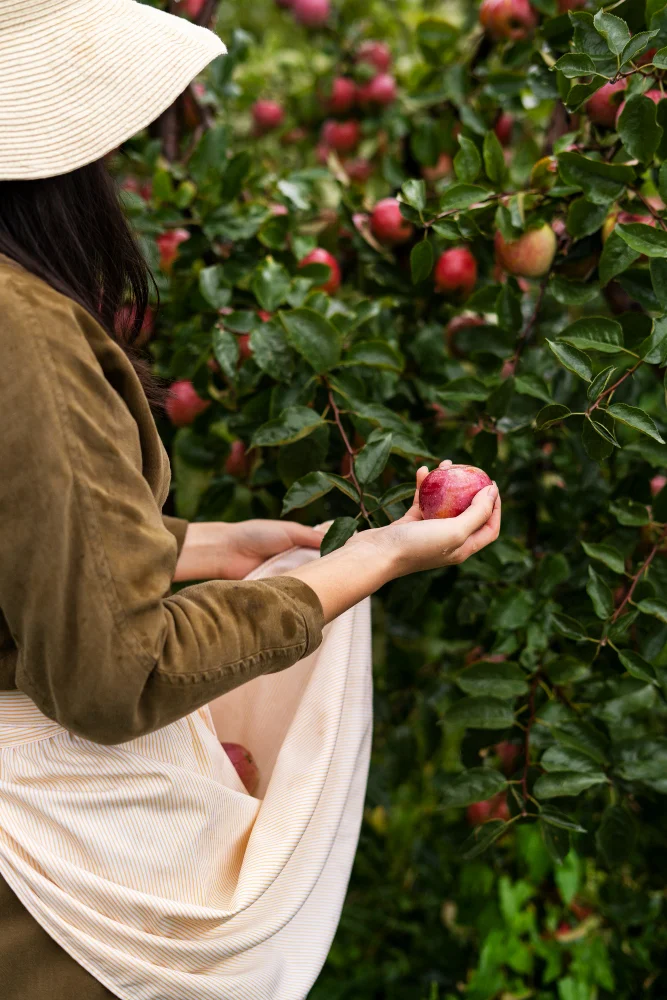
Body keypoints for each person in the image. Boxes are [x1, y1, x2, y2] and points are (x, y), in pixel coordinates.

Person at [0, 2, 501, 998]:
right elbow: (110, 676)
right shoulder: (29, 336)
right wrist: (370, 560)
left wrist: (189, 544)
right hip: (44, 892)